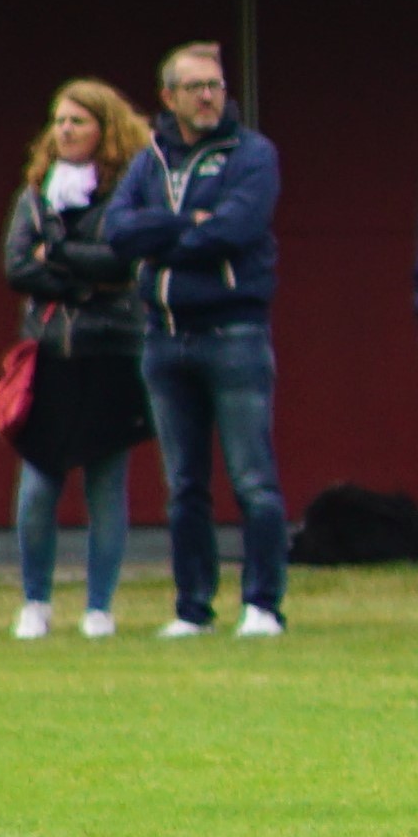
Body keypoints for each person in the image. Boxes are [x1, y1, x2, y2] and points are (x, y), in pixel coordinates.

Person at [106, 42, 287, 638]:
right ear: (168, 98)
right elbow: (117, 231)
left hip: (233, 334)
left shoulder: (251, 153)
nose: (209, 96)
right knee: (183, 485)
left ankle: (262, 605)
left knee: (253, 479)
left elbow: (237, 227)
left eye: (215, 84)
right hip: (164, 339)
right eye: (195, 87)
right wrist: (186, 225)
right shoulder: (150, 159)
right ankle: (192, 608)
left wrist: (164, 237)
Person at [5, 81, 152, 638]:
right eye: (58, 120)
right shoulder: (35, 193)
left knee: (106, 482)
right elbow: (17, 265)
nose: (64, 130)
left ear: (105, 130)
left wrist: (61, 256)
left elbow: (120, 261)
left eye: (78, 121)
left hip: (111, 349)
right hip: (50, 352)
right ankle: (35, 601)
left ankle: (98, 608)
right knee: (39, 483)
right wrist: (80, 284)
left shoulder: (126, 194)